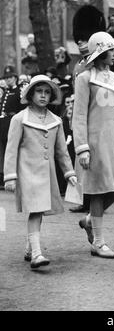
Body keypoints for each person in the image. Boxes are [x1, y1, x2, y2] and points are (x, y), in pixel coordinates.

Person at [4, 75, 77, 269]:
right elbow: (11, 149)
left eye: (47, 92)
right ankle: (37, 254)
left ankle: (30, 247)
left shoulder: (56, 121)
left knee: (40, 211)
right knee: (36, 211)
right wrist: (10, 176)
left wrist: (69, 173)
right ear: (30, 94)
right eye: (39, 91)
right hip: (27, 173)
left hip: (48, 174)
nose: (43, 96)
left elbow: (61, 151)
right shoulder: (20, 119)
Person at [72, 31, 114, 258]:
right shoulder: (85, 79)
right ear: (101, 53)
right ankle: (98, 242)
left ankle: (89, 220)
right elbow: (79, 116)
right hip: (96, 142)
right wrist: (82, 147)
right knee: (99, 191)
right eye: (111, 51)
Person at [70, 4, 106, 214]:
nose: (82, 45)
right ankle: (84, 198)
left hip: (99, 117)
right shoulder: (78, 66)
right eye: (79, 41)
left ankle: (97, 199)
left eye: (85, 40)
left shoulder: (105, 62)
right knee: (81, 159)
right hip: (82, 116)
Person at [0, 65, 22, 189]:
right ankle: (6, 176)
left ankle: (16, 177)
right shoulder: (7, 92)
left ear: (15, 78)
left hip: (12, 124)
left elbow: (21, 109)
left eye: (10, 77)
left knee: (13, 150)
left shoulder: (19, 91)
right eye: (6, 77)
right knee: (5, 151)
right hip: (4, 124)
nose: (8, 79)